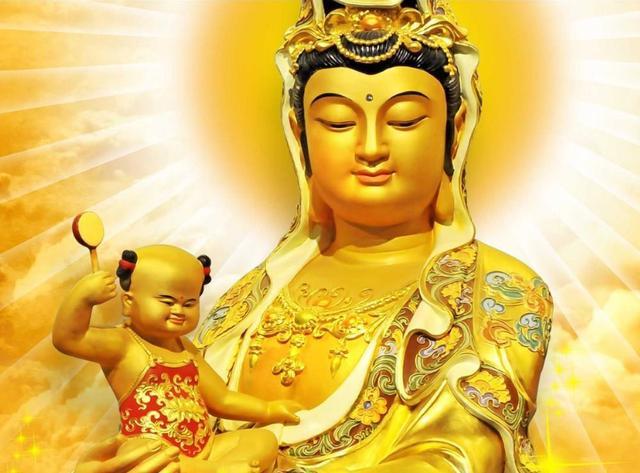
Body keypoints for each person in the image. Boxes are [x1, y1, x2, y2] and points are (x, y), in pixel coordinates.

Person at [77, 1, 553, 471]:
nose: (371, 148)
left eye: (404, 120)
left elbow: (460, 455)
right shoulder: (248, 302)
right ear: (299, 133)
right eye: (338, 122)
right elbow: (186, 427)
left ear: (455, 130)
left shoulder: (500, 294)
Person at [53, 245, 302, 473]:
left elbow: (222, 399)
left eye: (189, 304)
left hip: (204, 448)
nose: (178, 311)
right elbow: (69, 339)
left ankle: (213, 468)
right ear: (128, 302)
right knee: (142, 458)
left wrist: (268, 410)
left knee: (262, 439)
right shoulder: (123, 344)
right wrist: (82, 297)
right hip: (154, 449)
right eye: (168, 301)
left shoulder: (185, 349)